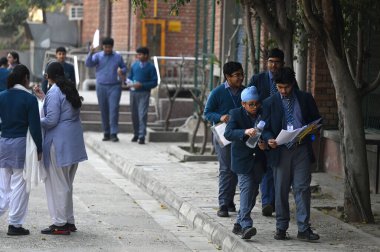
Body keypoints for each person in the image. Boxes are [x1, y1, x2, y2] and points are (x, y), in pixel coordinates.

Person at [261, 67, 321, 241]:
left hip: (301, 148)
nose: (283, 91)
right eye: (280, 87)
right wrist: (269, 138)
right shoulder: (269, 103)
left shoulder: (305, 98)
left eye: (286, 87)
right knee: (280, 189)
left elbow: (316, 120)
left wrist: (312, 130)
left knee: (302, 188)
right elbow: (263, 128)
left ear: (293, 84)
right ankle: (281, 227)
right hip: (280, 150)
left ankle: (303, 228)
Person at [34, 62, 88, 235]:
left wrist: (33, 122)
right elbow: (62, 111)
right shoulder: (69, 88)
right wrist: (44, 97)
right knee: (67, 184)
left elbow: (51, 120)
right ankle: (69, 221)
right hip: (73, 143)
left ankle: (60, 223)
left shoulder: (55, 91)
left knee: (58, 184)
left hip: (59, 144)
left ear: (47, 76)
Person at [0, 64, 42, 236]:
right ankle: (15, 224)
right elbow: (35, 127)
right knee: (19, 184)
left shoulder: (1, 96)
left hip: (3, 142)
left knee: (3, 185)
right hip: (20, 144)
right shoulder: (29, 99)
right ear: (25, 78)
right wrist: (39, 147)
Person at [224, 86, 266, 240]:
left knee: (253, 194)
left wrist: (265, 144)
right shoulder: (235, 114)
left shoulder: (263, 114)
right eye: (251, 104)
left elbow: (268, 132)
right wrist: (244, 132)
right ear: (243, 104)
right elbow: (228, 133)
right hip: (242, 160)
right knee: (246, 190)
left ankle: (238, 224)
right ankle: (247, 225)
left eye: (257, 103)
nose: (254, 107)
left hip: (258, 161)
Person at [204, 61, 245, 217]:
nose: (240, 78)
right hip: (223, 134)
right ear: (227, 77)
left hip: (240, 134)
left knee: (236, 169)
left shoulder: (245, 91)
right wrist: (220, 116)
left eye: (242, 74)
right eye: (237, 75)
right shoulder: (218, 92)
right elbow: (207, 113)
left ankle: (230, 201)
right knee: (225, 169)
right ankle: (222, 204)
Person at [248, 48, 285, 216]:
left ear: (282, 64)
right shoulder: (258, 79)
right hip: (261, 126)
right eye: (271, 61)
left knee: (278, 166)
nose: (273, 65)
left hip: (281, 129)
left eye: (277, 62)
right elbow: (249, 101)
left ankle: (274, 201)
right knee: (265, 166)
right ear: (267, 62)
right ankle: (267, 202)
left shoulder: (287, 79)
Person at [85, 37, 127, 142]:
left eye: (109, 47)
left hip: (115, 86)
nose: (107, 49)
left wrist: (121, 70)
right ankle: (106, 132)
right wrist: (90, 53)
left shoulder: (117, 57)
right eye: (105, 47)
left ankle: (114, 133)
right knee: (104, 110)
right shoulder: (98, 56)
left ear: (112, 47)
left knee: (114, 109)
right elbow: (88, 64)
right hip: (101, 86)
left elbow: (125, 68)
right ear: (103, 47)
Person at [127, 47, 158, 144]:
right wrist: (130, 83)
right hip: (133, 92)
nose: (138, 56)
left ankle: (142, 135)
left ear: (146, 55)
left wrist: (142, 85)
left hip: (144, 93)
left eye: (140, 54)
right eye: (138, 54)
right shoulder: (134, 66)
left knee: (142, 114)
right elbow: (129, 78)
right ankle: (136, 134)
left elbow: (154, 82)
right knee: (134, 114)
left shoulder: (151, 67)